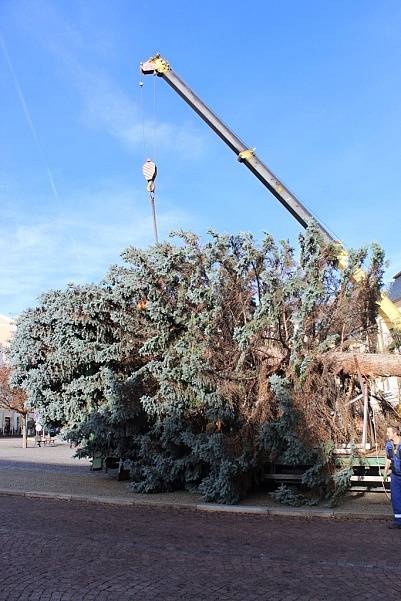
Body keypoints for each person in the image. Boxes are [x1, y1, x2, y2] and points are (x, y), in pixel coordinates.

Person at [384, 424, 401, 529]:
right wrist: (385, 472)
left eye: (388, 432)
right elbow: (388, 459)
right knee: (395, 498)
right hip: (395, 475)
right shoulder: (389, 445)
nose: (387, 434)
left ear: (395, 433)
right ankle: (398, 521)